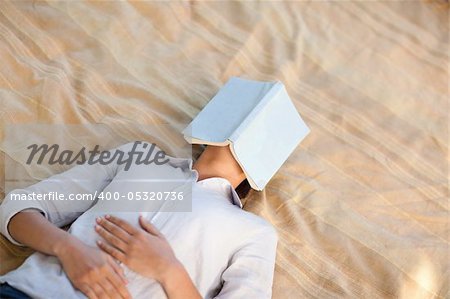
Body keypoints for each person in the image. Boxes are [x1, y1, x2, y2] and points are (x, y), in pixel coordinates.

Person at [0, 141, 278, 299]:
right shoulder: (139, 157)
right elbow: (16, 208)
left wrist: (170, 272)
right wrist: (69, 249)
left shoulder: (255, 232)